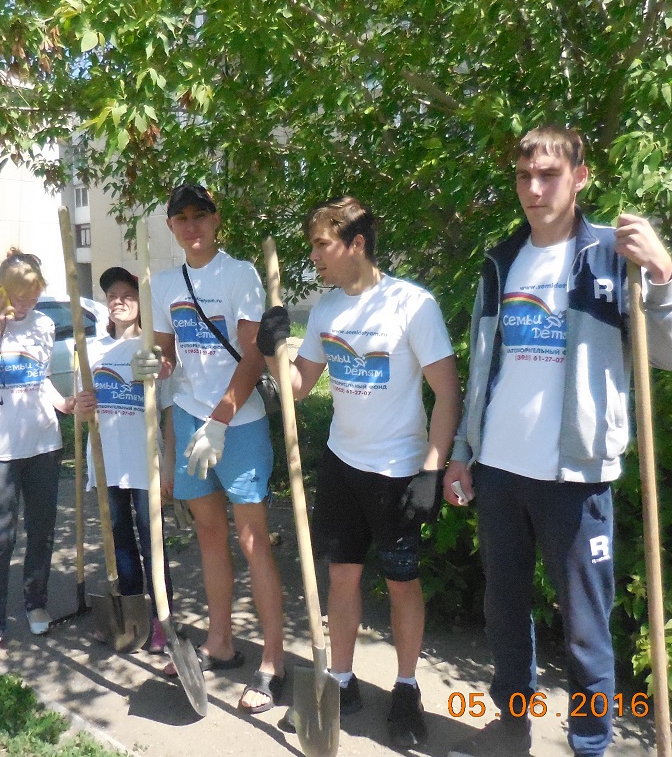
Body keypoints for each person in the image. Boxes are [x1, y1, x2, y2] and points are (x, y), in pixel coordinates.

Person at [443, 125, 672, 757]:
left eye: (549, 175)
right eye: (524, 176)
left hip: (576, 477)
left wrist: (663, 274)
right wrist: (464, 454)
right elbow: (483, 364)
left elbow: (670, 354)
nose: (534, 188)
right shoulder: (501, 261)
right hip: (499, 470)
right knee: (504, 611)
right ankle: (511, 724)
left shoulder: (611, 256)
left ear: (580, 177)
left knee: (585, 628)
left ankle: (590, 743)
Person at [256, 196, 462, 748]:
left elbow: (447, 393)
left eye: (322, 244)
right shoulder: (326, 310)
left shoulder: (411, 305)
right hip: (342, 465)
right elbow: (299, 388)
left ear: (357, 244)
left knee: (401, 582)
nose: (314, 256)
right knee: (342, 576)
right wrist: (272, 351)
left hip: (397, 472)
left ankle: (407, 688)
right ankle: (341, 682)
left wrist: (432, 469)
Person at [134, 183, 286, 713]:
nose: (192, 226)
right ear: (171, 227)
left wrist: (220, 421)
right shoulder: (162, 283)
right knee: (208, 534)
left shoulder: (239, 274)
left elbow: (253, 355)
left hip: (238, 424)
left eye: (200, 215)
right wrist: (152, 365)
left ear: (215, 220)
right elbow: (168, 355)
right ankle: (220, 643)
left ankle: (272, 662)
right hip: (189, 416)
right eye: (182, 218)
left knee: (253, 540)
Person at [0, 249, 75, 664]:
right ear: (2, 290)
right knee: (0, 540)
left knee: (42, 532)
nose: (27, 305)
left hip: (43, 445)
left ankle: (36, 603)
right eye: (20, 297)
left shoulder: (43, 325)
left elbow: (40, 378)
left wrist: (65, 404)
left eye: (34, 297)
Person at [73, 266, 175, 655]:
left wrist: (168, 465)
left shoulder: (152, 351)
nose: (118, 301)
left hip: (144, 461)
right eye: (111, 295)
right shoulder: (91, 349)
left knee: (153, 541)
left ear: (140, 303)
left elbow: (168, 412)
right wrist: (81, 406)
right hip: (107, 462)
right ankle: (132, 616)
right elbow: (81, 409)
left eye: (127, 295)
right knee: (119, 541)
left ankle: (164, 620)